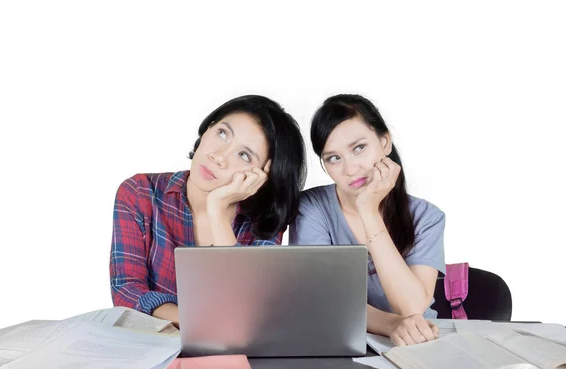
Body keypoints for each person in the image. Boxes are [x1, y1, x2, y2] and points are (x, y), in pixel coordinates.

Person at [110, 95, 307, 326]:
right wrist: (199, 323)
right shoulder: (139, 192)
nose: (220, 157)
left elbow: (244, 310)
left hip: (230, 354)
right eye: (222, 133)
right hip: (152, 347)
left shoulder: (265, 221)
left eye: (244, 155)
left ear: (264, 174)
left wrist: (218, 209)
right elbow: (126, 289)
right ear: (207, 129)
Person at [289, 94, 445, 346]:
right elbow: (325, 298)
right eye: (334, 158)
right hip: (342, 340)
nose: (350, 169)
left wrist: (369, 212)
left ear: (385, 142)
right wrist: (391, 324)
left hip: (418, 342)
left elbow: (411, 308)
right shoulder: (312, 208)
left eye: (358, 148)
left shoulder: (427, 217)